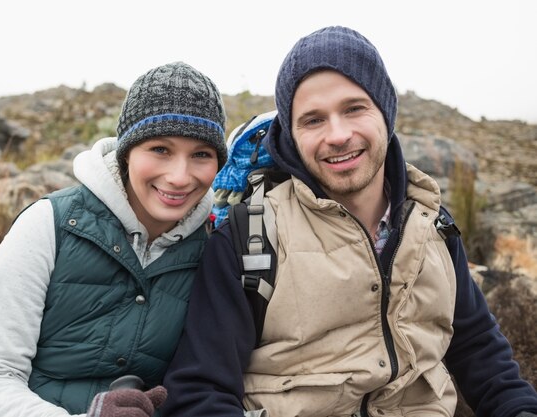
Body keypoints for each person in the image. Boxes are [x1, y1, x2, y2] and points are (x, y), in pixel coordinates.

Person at [161, 26, 537, 417]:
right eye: (313, 120)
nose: (338, 135)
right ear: (290, 135)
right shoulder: (248, 236)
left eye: (354, 109)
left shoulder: (433, 226)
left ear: (385, 112)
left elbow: (480, 351)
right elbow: (200, 392)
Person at [0, 61, 228, 417]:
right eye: (160, 149)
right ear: (127, 153)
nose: (180, 176)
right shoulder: (50, 224)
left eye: (201, 154)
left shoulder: (212, 247)